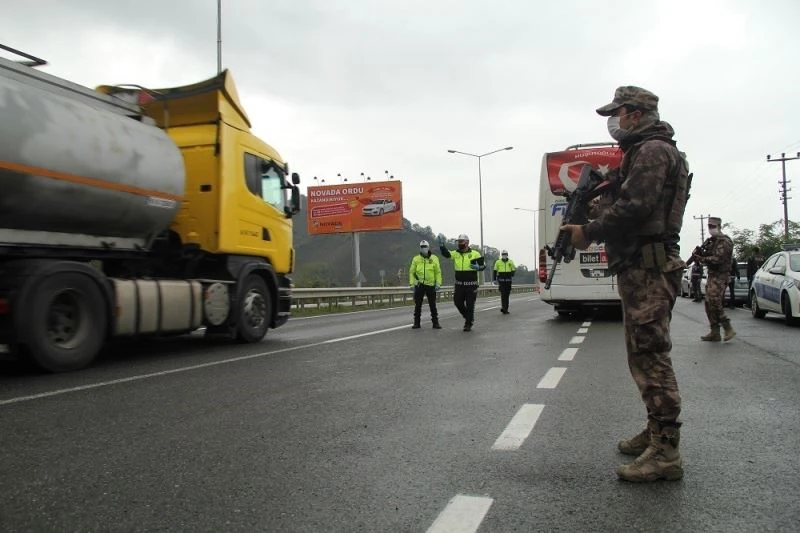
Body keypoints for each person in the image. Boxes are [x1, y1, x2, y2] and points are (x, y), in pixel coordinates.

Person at [559, 86, 689, 482]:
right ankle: (655, 432)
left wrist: (590, 231)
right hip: (638, 265)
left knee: (651, 356)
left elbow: (637, 208)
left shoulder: (652, 151)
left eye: (617, 114)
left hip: (648, 267)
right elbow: (628, 201)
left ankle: (666, 451)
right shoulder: (644, 151)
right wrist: (600, 201)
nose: (614, 122)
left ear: (634, 113)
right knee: (642, 355)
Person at [696, 217, 736, 341]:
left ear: (719, 226)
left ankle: (728, 327)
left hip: (720, 275)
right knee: (708, 303)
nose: (711, 229)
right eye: (709, 226)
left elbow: (718, 259)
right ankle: (715, 331)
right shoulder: (712, 241)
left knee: (714, 301)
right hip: (712, 275)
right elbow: (708, 254)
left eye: (713, 226)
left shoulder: (725, 241)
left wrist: (702, 259)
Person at [438, 233, 485, 331]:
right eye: (458, 242)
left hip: (471, 285)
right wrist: (442, 246)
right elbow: (447, 254)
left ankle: (468, 324)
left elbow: (483, 266)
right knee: (457, 302)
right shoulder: (456, 253)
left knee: (470, 304)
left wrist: (479, 267)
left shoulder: (475, 253)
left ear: (467, 242)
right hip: (459, 284)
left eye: (461, 241)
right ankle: (468, 317)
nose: (459, 243)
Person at [409, 240, 442, 329]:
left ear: (428, 247)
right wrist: (412, 284)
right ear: (420, 248)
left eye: (425, 247)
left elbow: (438, 272)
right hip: (419, 285)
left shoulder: (434, 258)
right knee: (418, 305)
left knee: (433, 305)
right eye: (422, 247)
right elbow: (412, 272)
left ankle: (435, 323)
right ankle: (416, 323)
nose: (423, 248)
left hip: (431, 285)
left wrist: (438, 283)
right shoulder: (416, 259)